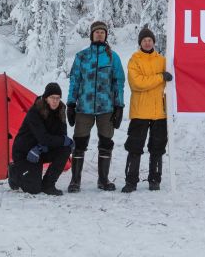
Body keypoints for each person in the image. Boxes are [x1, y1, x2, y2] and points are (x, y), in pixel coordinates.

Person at [66, 20, 125, 192]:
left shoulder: (113, 57)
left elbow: (119, 82)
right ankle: (75, 181)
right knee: (79, 143)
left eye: (102, 32)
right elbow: (74, 81)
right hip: (84, 107)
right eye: (97, 32)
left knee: (106, 142)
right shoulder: (82, 56)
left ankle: (103, 180)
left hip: (106, 108)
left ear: (106, 35)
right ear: (91, 35)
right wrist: (71, 103)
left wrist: (119, 106)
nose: (99, 34)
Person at [123, 26, 172, 193]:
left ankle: (155, 180)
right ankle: (131, 181)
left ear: (153, 42)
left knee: (158, 148)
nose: (147, 43)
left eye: (150, 40)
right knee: (135, 147)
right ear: (140, 43)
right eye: (144, 40)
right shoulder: (134, 60)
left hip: (160, 112)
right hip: (140, 111)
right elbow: (137, 83)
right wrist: (160, 77)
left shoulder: (163, 60)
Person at [9, 82, 73, 196]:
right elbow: (44, 138)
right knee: (34, 189)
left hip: (41, 150)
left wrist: (63, 142)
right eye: (52, 97)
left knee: (65, 149)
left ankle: (48, 185)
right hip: (26, 151)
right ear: (46, 98)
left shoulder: (61, 110)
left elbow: (62, 135)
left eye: (58, 98)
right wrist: (63, 140)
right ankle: (14, 172)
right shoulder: (35, 111)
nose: (55, 101)